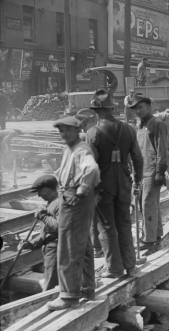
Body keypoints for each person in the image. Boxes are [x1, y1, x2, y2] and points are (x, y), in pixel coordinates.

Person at [86, 90, 144, 278]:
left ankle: (114, 269)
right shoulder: (129, 129)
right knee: (124, 222)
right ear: (112, 108)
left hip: (104, 183)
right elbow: (137, 158)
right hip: (125, 181)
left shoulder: (93, 133)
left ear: (96, 111)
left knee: (106, 226)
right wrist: (137, 180)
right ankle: (130, 265)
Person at [47, 116, 100, 310]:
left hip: (74, 199)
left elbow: (92, 169)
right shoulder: (68, 149)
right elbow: (64, 171)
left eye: (67, 130)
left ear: (77, 130)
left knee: (68, 248)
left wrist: (83, 188)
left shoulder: (81, 149)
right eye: (61, 130)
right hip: (69, 197)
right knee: (83, 244)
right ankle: (87, 287)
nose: (64, 134)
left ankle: (69, 296)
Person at [129, 94, 169, 252]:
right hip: (141, 170)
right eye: (135, 109)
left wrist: (160, 171)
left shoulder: (157, 123)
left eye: (140, 107)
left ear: (148, 107)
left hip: (152, 170)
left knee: (147, 204)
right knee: (149, 204)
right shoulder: (140, 124)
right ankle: (156, 235)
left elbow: (162, 149)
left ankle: (148, 240)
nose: (138, 111)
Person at [18, 175, 60, 291]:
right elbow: (46, 232)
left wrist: (43, 217)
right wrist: (31, 244)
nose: (38, 195)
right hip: (51, 248)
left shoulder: (58, 204)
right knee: (52, 281)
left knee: (50, 285)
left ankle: (48, 305)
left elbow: (60, 226)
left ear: (46, 189)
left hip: (57, 249)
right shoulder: (52, 203)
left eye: (39, 191)